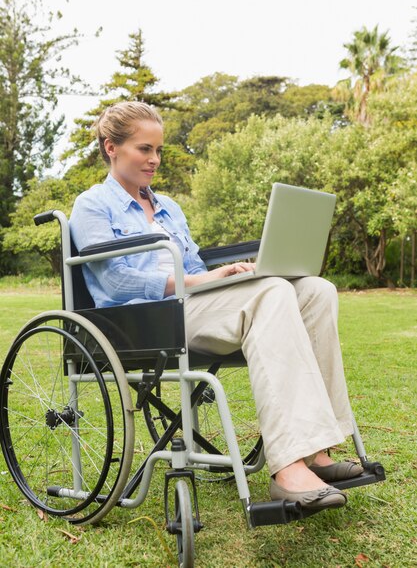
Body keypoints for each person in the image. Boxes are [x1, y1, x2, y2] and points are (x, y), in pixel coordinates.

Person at [70, 101, 363, 510]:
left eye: (158, 150)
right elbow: (114, 280)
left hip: (194, 304)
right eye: (144, 149)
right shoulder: (92, 205)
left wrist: (233, 272)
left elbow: (193, 265)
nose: (154, 160)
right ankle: (288, 467)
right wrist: (197, 281)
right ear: (111, 147)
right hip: (145, 319)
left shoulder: (169, 207)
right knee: (273, 292)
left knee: (316, 290)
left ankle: (318, 451)